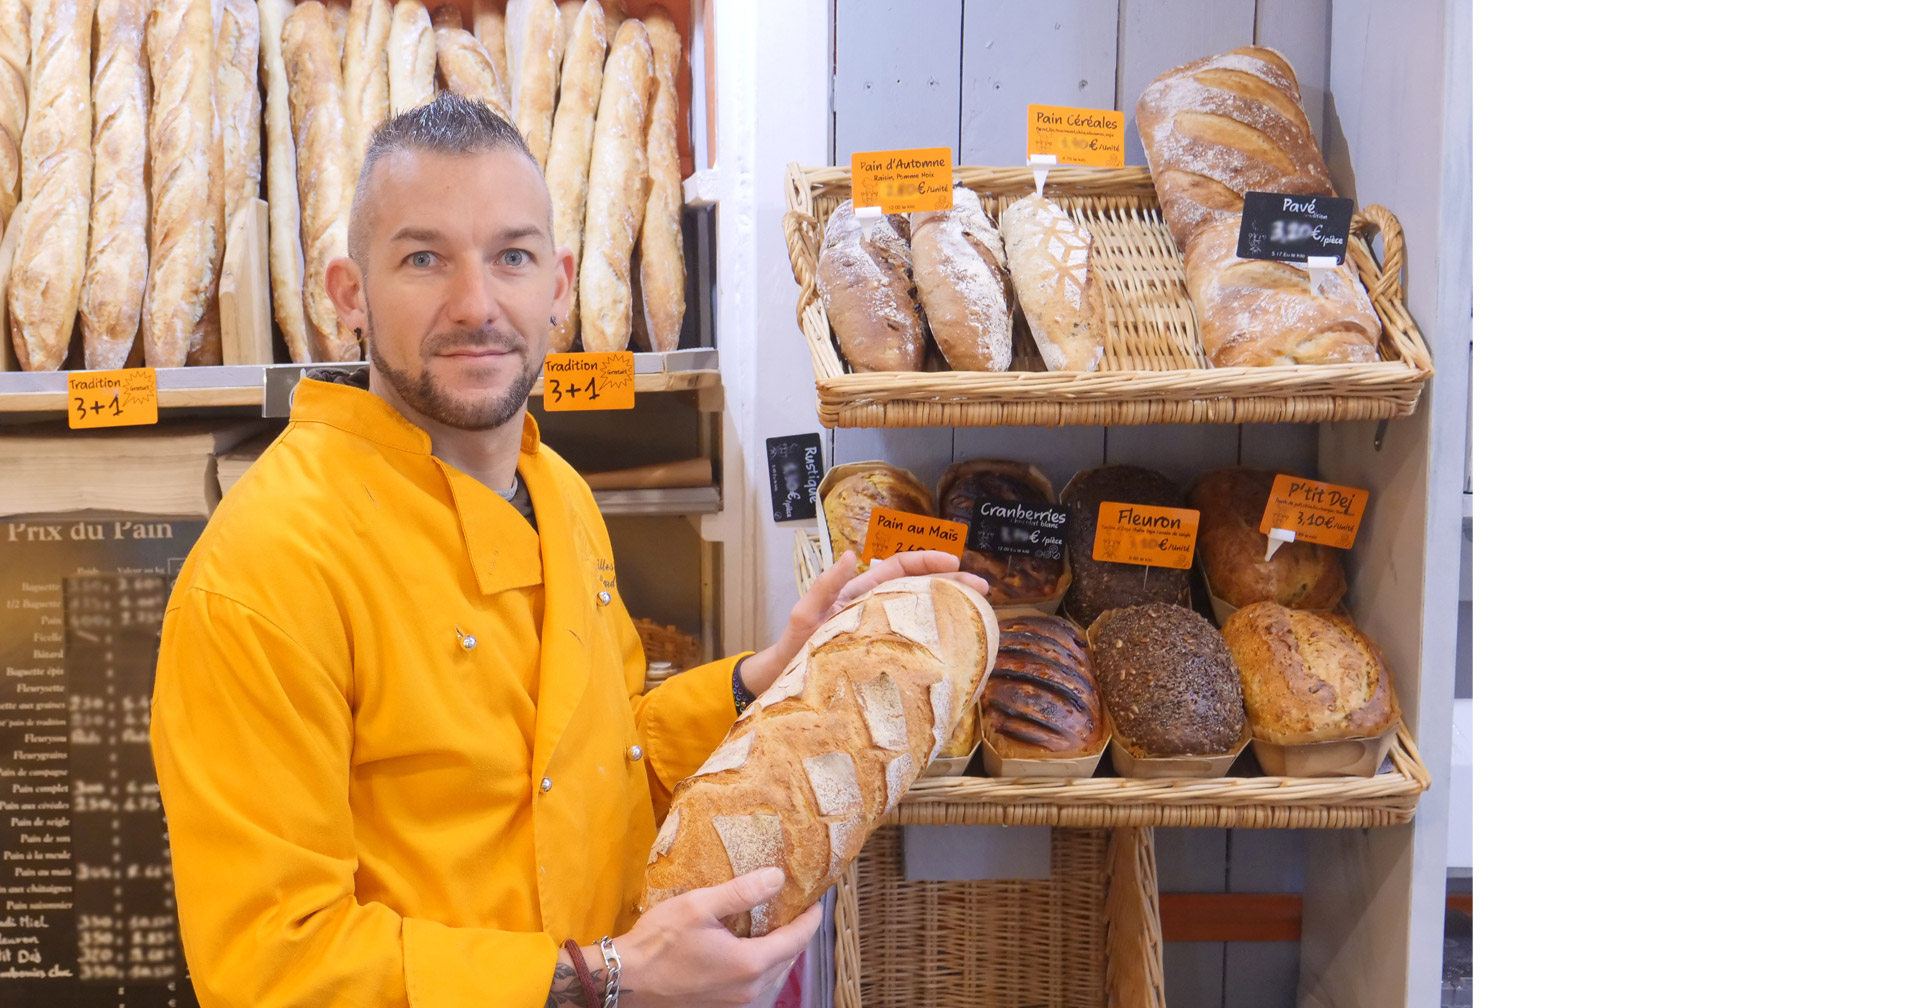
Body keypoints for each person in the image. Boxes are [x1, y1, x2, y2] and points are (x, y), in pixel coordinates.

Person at [148, 93, 983, 1008]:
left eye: (512, 257)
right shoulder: (264, 566)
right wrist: (606, 978)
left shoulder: (560, 494)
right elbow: (269, 963)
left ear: (559, 284)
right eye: (424, 259)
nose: (476, 305)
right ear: (349, 293)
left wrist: (765, 680)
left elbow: (607, 757)